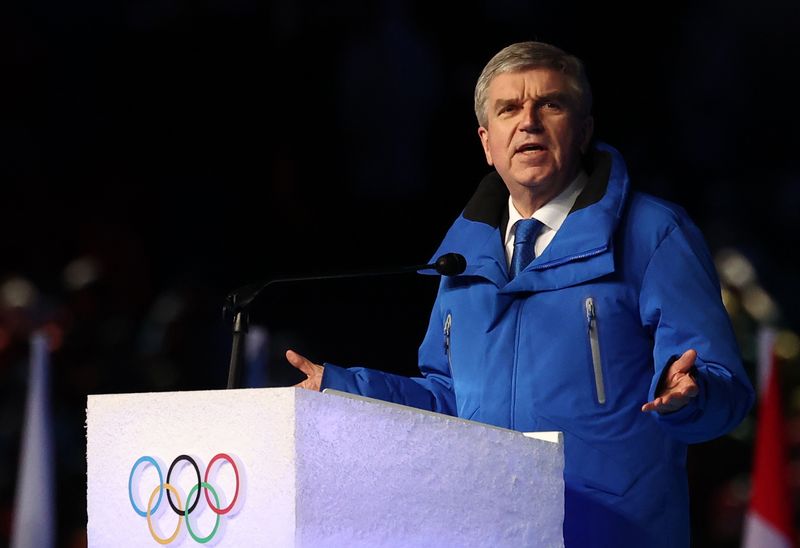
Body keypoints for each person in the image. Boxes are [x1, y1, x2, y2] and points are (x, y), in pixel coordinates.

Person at [285, 41, 755, 547]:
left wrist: (692, 394)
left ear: (584, 130)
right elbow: (449, 403)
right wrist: (342, 391)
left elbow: (723, 389)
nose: (528, 121)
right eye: (509, 109)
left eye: (549, 104)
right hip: (490, 532)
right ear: (487, 143)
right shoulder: (460, 260)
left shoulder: (653, 233)